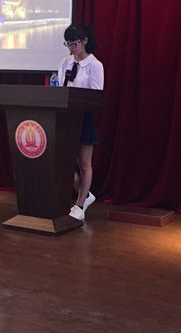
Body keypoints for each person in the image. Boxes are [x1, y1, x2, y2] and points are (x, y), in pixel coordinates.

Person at [58, 24, 104, 221]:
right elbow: (61, 89)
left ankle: (79, 205)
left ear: (84, 41)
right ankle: (85, 194)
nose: (71, 48)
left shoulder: (95, 65)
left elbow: (96, 96)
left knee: (84, 163)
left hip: (83, 117)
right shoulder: (65, 62)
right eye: (67, 44)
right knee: (63, 163)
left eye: (74, 44)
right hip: (65, 118)